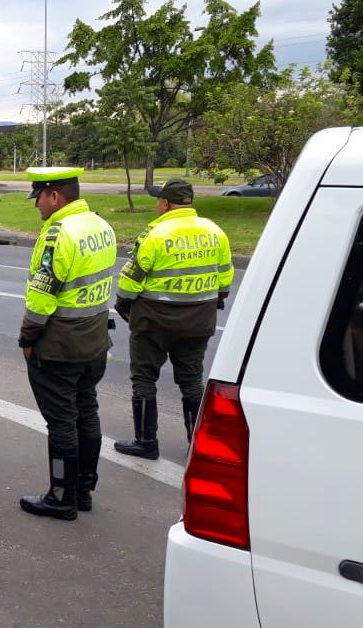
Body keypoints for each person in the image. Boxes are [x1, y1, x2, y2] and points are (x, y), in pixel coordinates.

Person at [18, 167, 116, 521]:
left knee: (61, 421)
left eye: (39, 198)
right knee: (86, 411)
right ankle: (84, 489)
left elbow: (42, 296)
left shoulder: (58, 234)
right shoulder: (100, 225)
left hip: (60, 344)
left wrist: (28, 337)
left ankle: (62, 496)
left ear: (55, 196)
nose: (37, 206)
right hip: (95, 339)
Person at [113, 179, 233, 458]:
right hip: (198, 322)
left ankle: (146, 443)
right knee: (192, 381)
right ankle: (197, 442)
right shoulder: (215, 232)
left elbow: (130, 281)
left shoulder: (155, 234)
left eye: (159, 201)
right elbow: (225, 279)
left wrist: (123, 304)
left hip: (154, 322)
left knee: (144, 378)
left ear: (165, 203)